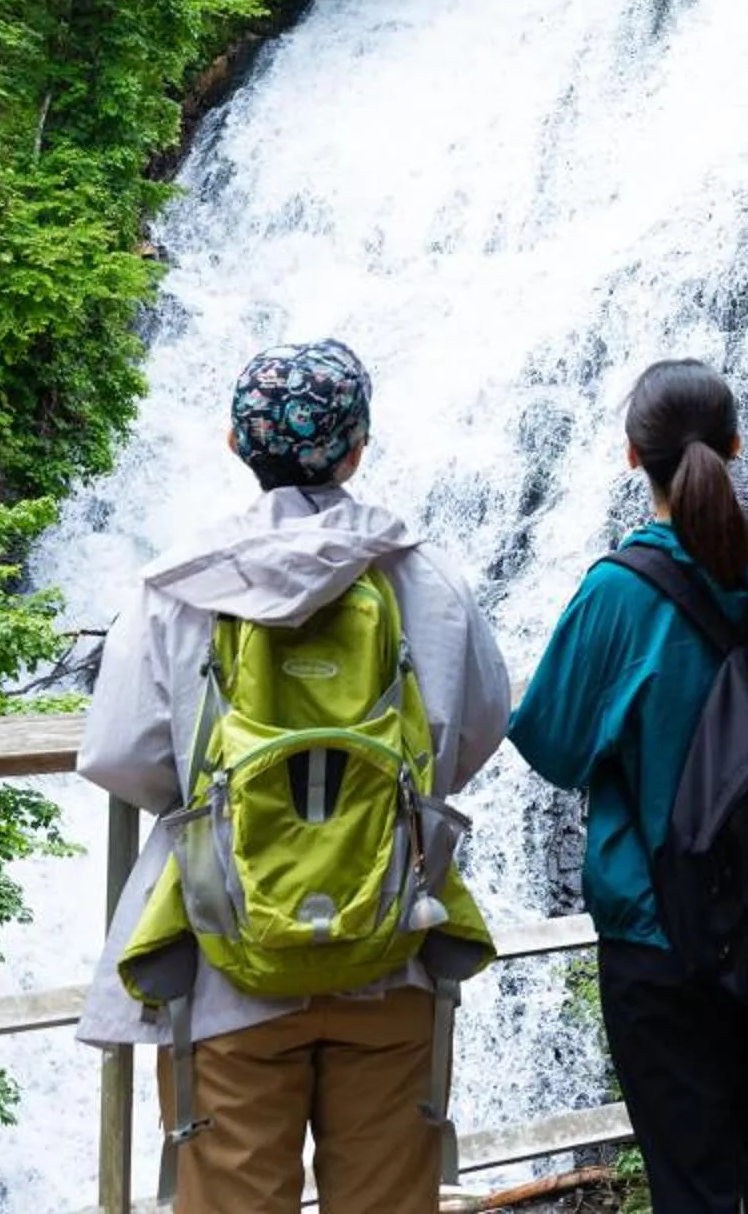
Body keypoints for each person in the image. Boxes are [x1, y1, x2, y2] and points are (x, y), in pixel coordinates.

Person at [77, 339, 509, 1214]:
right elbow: (476, 732)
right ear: (357, 449)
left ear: (237, 445)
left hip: (228, 957)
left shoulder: (180, 585)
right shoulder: (427, 578)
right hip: (393, 946)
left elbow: (120, 755)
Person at [509, 358, 748, 1214]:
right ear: (735, 446)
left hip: (661, 926)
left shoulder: (619, 594)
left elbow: (553, 742)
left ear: (633, 457)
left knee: (690, 1184)